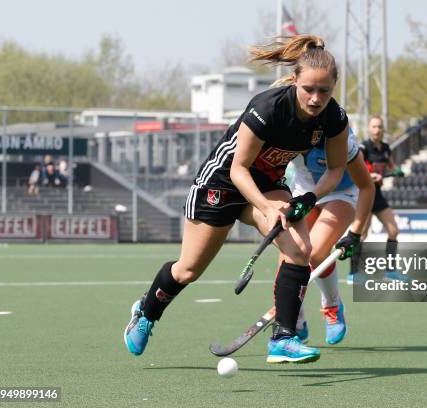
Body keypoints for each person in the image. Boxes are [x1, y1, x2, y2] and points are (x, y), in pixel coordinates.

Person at [123, 35, 348, 364]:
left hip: (268, 183)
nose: (315, 99)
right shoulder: (268, 108)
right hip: (223, 183)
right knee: (188, 270)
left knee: (300, 249)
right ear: (295, 81)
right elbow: (239, 168)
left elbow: (338, 168)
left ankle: (283, 338)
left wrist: (309, 198)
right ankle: (146, 310)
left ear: (334, 87)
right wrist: (266, 206)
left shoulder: (334, 118)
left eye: (324, 91)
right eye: (308, 89)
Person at [289, 127, 375, 344]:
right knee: (289, 255)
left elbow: (367, 186)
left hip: (341, 191)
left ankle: (332, 305)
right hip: (303, 189)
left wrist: (355, 233)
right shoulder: (281, 133)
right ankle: (295, 320)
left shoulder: (340, 138)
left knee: (317, 253)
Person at [347, 115, 403, 284]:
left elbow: (391, 165)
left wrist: (397, 170)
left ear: (383, 129)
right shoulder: (363, 147)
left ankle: (391, 271)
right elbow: (357, 169)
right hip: (365, 194)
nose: (377, 130)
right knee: (361, 234)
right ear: (369, 129)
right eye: (374, 127)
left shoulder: (386, 148)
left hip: (378, 195)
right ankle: (353, 273)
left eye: (379, 127)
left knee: (393, 231)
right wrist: (371, 175)